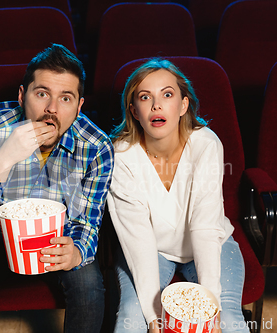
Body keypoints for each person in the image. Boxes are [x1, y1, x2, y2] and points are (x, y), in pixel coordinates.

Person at [0, 44, 114, 333]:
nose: (52, 109)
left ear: (80, 106)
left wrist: (78, 252)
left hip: (58, 236)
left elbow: (87, 222)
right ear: (22, 96)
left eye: (66, 98)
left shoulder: (96, 147)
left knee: (90, 289)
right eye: (42, 93)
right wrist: (4, 158)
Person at [106, 58, 249, 333]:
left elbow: (205, 228)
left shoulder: (206, 144)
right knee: (129, 319)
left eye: (167, 95)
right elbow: (139, 240)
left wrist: (210, 312)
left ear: (183, 105)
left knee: (228, 320)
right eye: (145, 97)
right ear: (134, 110)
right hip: (151, 250)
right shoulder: (121, 156)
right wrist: (152, 317)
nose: (156, 105)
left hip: (210, 246)